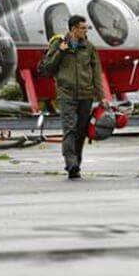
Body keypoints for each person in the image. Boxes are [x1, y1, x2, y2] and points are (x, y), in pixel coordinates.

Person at [41, 14, 108, 179]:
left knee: (81, 131)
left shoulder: (90, 48)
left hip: (86, 94)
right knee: (69, 128)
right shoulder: (58, 44)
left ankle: (76, 162)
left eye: (86, 28)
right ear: (73, 29)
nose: (86, 31)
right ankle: (71, 163)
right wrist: (60, 52)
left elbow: (96, 74)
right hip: (66, 94)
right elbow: (47, 69)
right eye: (82, 28)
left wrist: (102, 96)